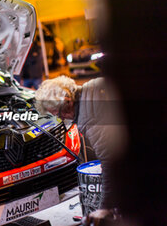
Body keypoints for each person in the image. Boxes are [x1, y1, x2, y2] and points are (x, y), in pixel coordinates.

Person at [35, 75, 126, 222]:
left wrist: (105, 208)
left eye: (58, 114)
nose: (62, 119)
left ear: (67, 101)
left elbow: (111, 163)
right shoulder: (92, 87)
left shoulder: (90, 118)